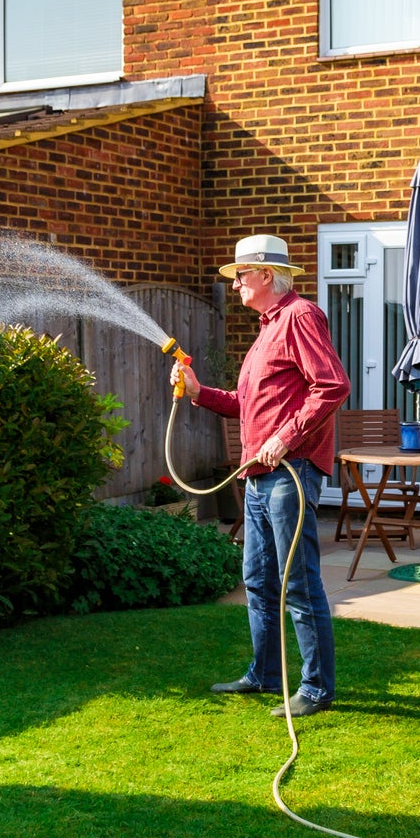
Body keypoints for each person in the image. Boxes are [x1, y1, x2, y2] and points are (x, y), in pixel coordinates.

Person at [173, 235, 350, 718]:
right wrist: (198, 391)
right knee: (257, 578)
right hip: (258, 475)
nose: (236, 286)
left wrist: (287, 438)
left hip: (289, 472)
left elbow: (332, 385)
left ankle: (315, 689)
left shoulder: (300, 317)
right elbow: (246, 404)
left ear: (266, 275)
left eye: (241, 276)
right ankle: (266, 674)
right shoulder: (267, 328)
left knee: (297, 581)